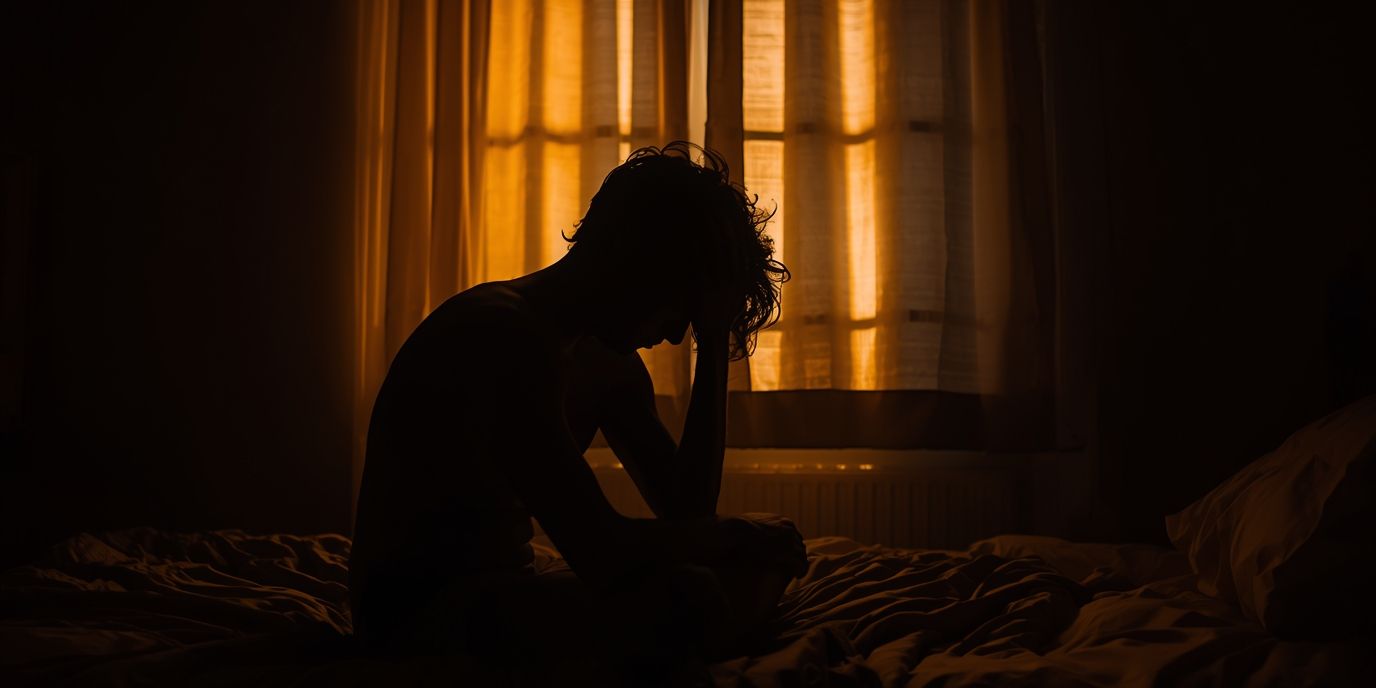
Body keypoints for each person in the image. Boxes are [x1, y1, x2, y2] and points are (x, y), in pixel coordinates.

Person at [347, 142, 804, 681]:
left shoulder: (606, 362)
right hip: (421, 611)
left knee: (747, 558)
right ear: (639, 264)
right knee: (697, 593)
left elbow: (688, 508)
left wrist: (713, 338)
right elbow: (601, 549)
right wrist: (734, 535)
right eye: (680, 306)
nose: (677, 334)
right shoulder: (501, 333)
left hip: (507, 583)